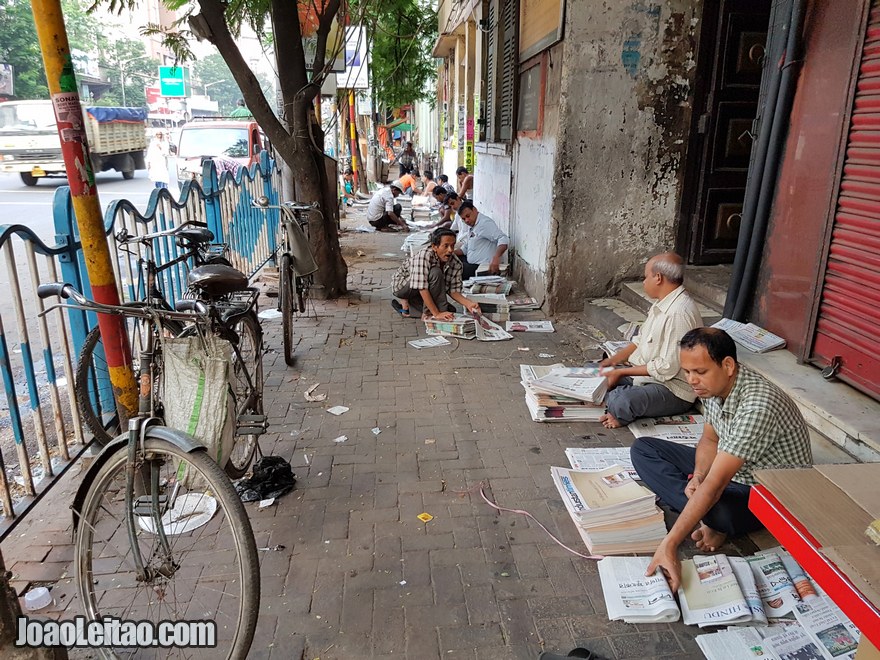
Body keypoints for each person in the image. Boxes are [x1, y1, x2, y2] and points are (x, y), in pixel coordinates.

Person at [636, 327, 812, 591]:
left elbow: (716, 485)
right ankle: (702, 511)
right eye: (687, 372)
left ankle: (709, 516)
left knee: (718, 509)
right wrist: (697, 477)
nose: (692, 380)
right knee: (643, 449)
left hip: (764, 492)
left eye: (700, 372)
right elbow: (709, 440)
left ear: (728, 365)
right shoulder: (715, 387)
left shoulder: (758, 406)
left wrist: (669, 545)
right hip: (731, 471)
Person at [598, 253, 703, 429]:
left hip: (671, 389)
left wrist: (620, 373)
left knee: (622, 401)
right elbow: (640, 340)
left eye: (646, 277)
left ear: (658, 278)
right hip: (645, 376)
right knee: (593, 371)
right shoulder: (663, 303)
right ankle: (614, 396)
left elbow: (666, 368)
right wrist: (613, 361)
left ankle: (617, 404)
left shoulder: (679, 313)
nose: (644, 282)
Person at [391, 228, 481, 319]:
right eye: (445, 246)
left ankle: (408, 308)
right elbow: (422, 288)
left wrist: (469, 304)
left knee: (450, 311)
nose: (450, 250)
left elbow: (453, 291)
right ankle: (426, 312)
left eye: (452, 246)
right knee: (436, 272)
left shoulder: (455, 262)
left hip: (422, 288)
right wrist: (436, 313)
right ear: (434, 246)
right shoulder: (424, 256)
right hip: (402, 286)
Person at [455, 201, 508, 279]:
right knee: (452, 261)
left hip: (482, 267)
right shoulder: (472, 226)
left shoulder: (484, 223)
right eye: (464, 219)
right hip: (471, 263)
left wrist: (496, 257)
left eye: (468, 216)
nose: (466, 220)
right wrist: (450, 253)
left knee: (456, 270)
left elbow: (503, 238)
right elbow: (465, 249)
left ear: (474, 210)